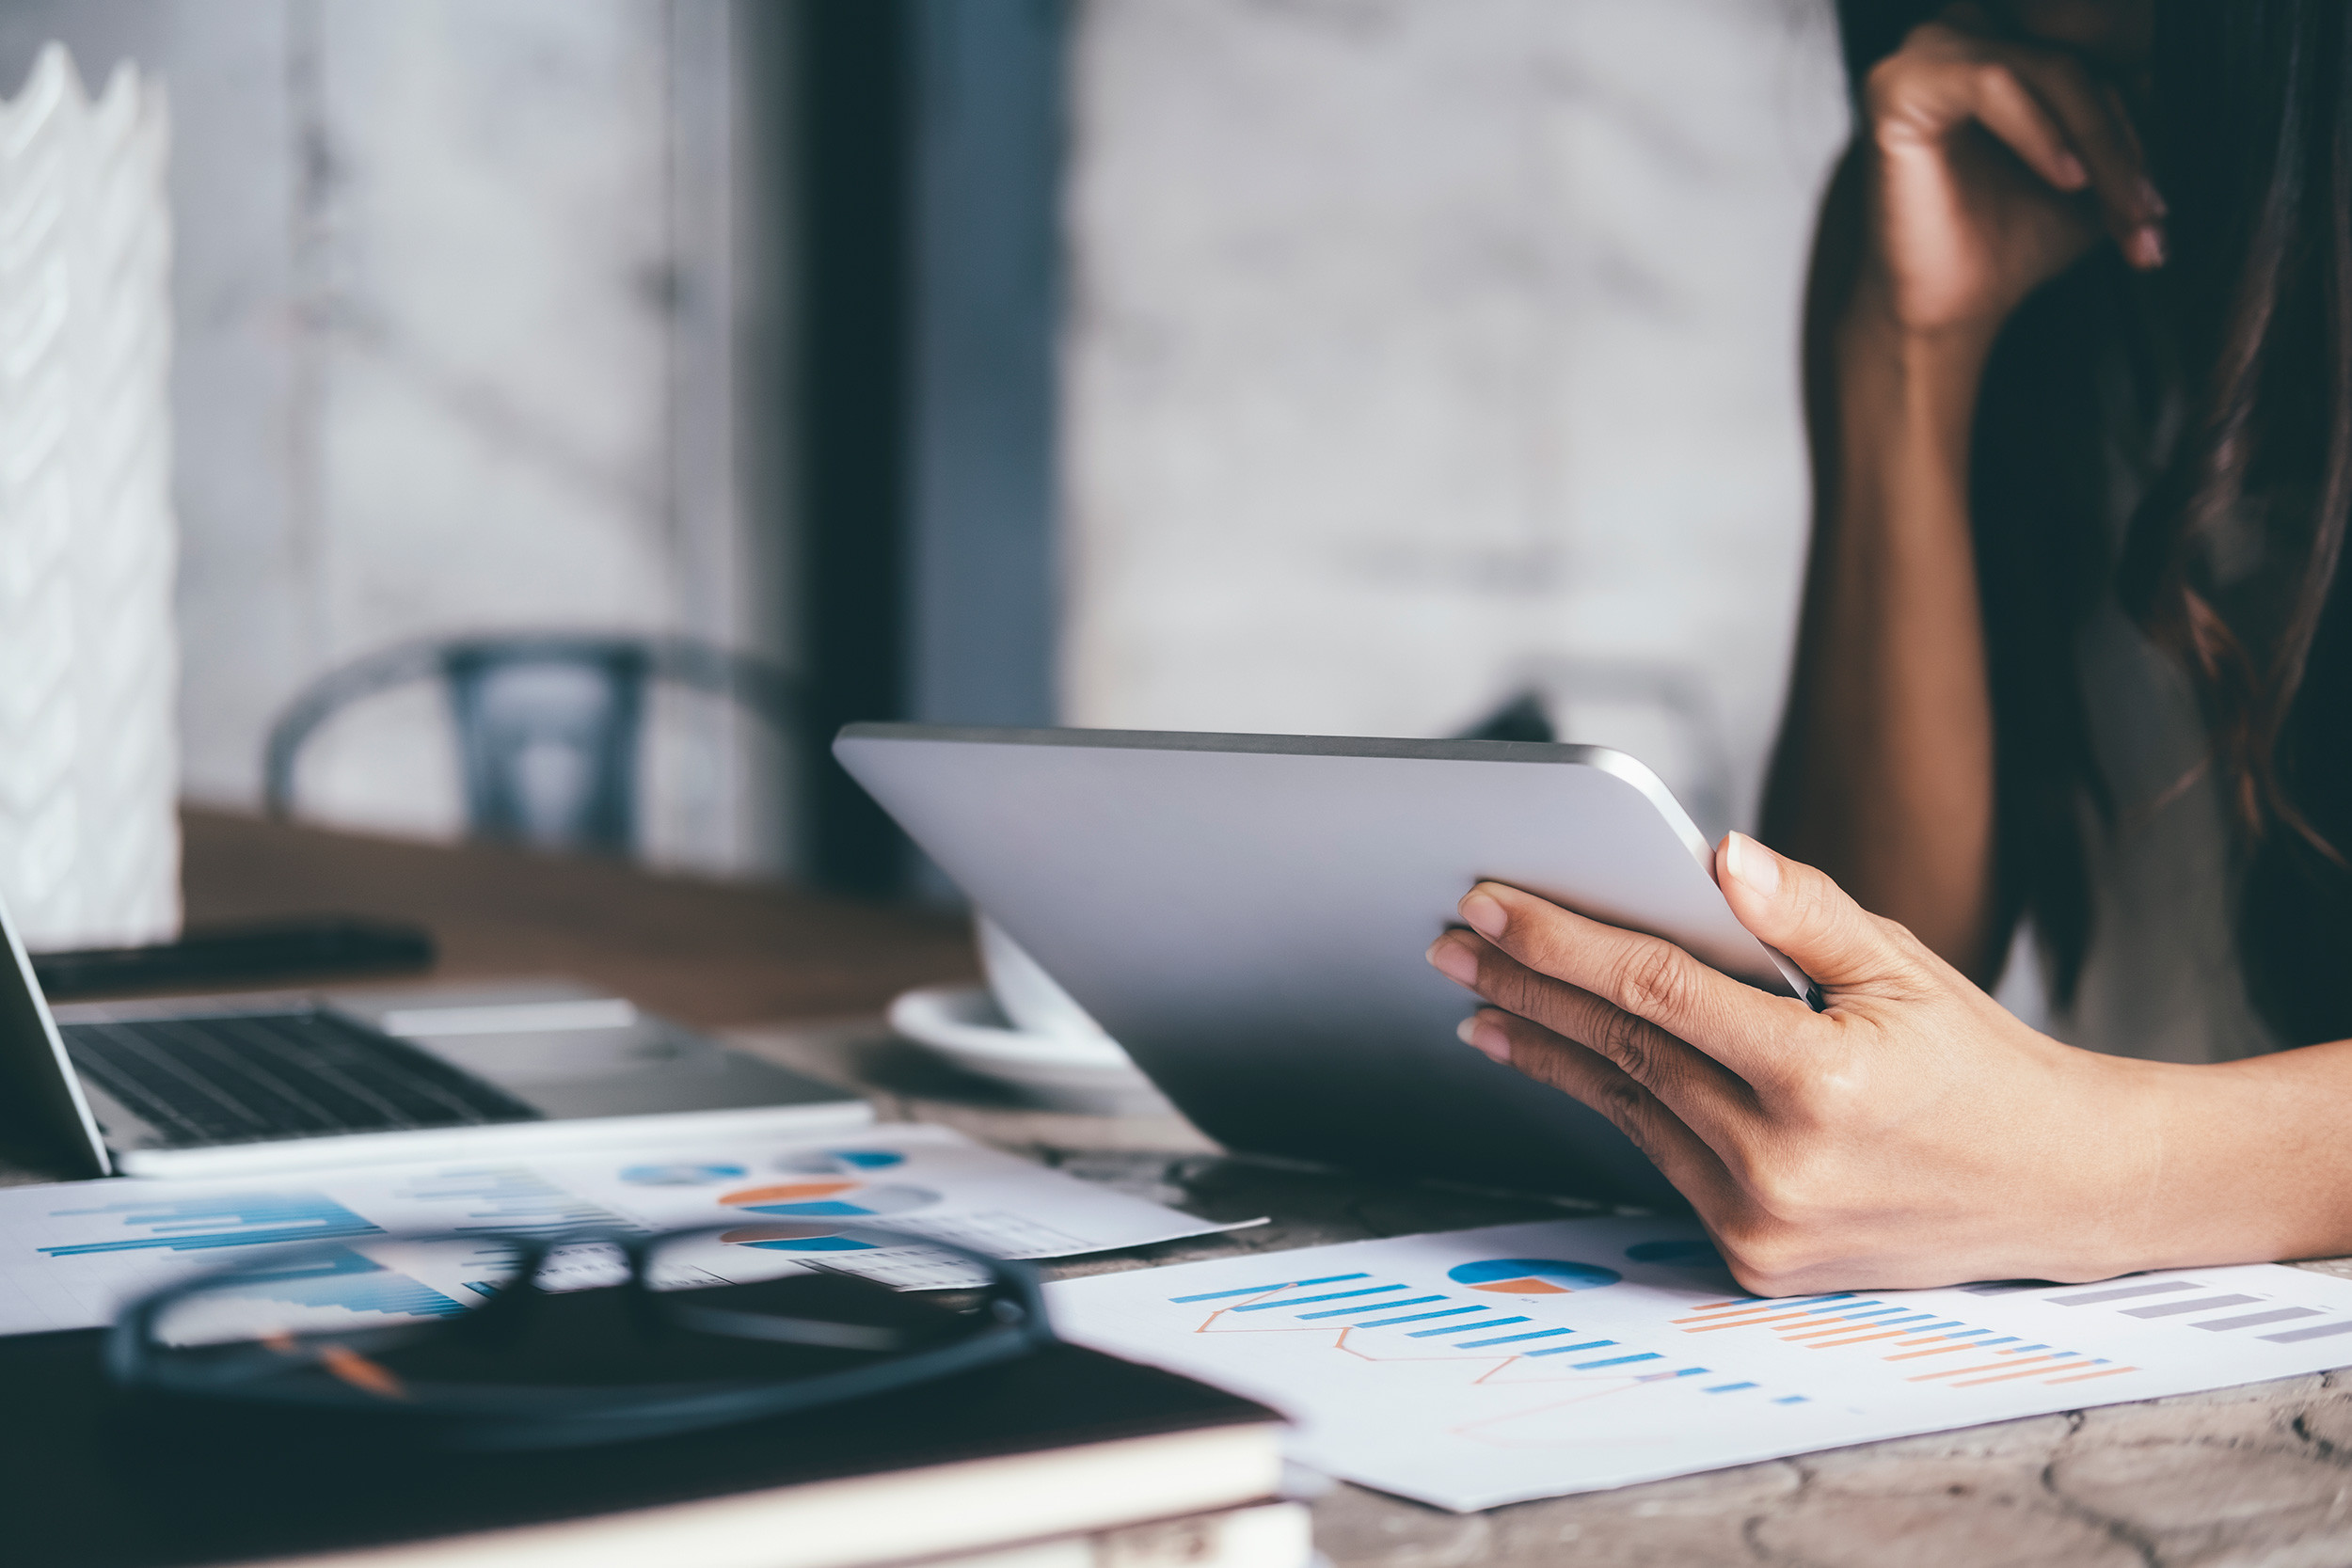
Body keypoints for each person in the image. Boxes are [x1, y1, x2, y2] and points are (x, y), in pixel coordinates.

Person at [1424, 0, 2352, 1292]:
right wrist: (1911, 354)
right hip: (2158, 1329)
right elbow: (1868, 985)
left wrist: (2090, 1167)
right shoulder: (1955, 179)